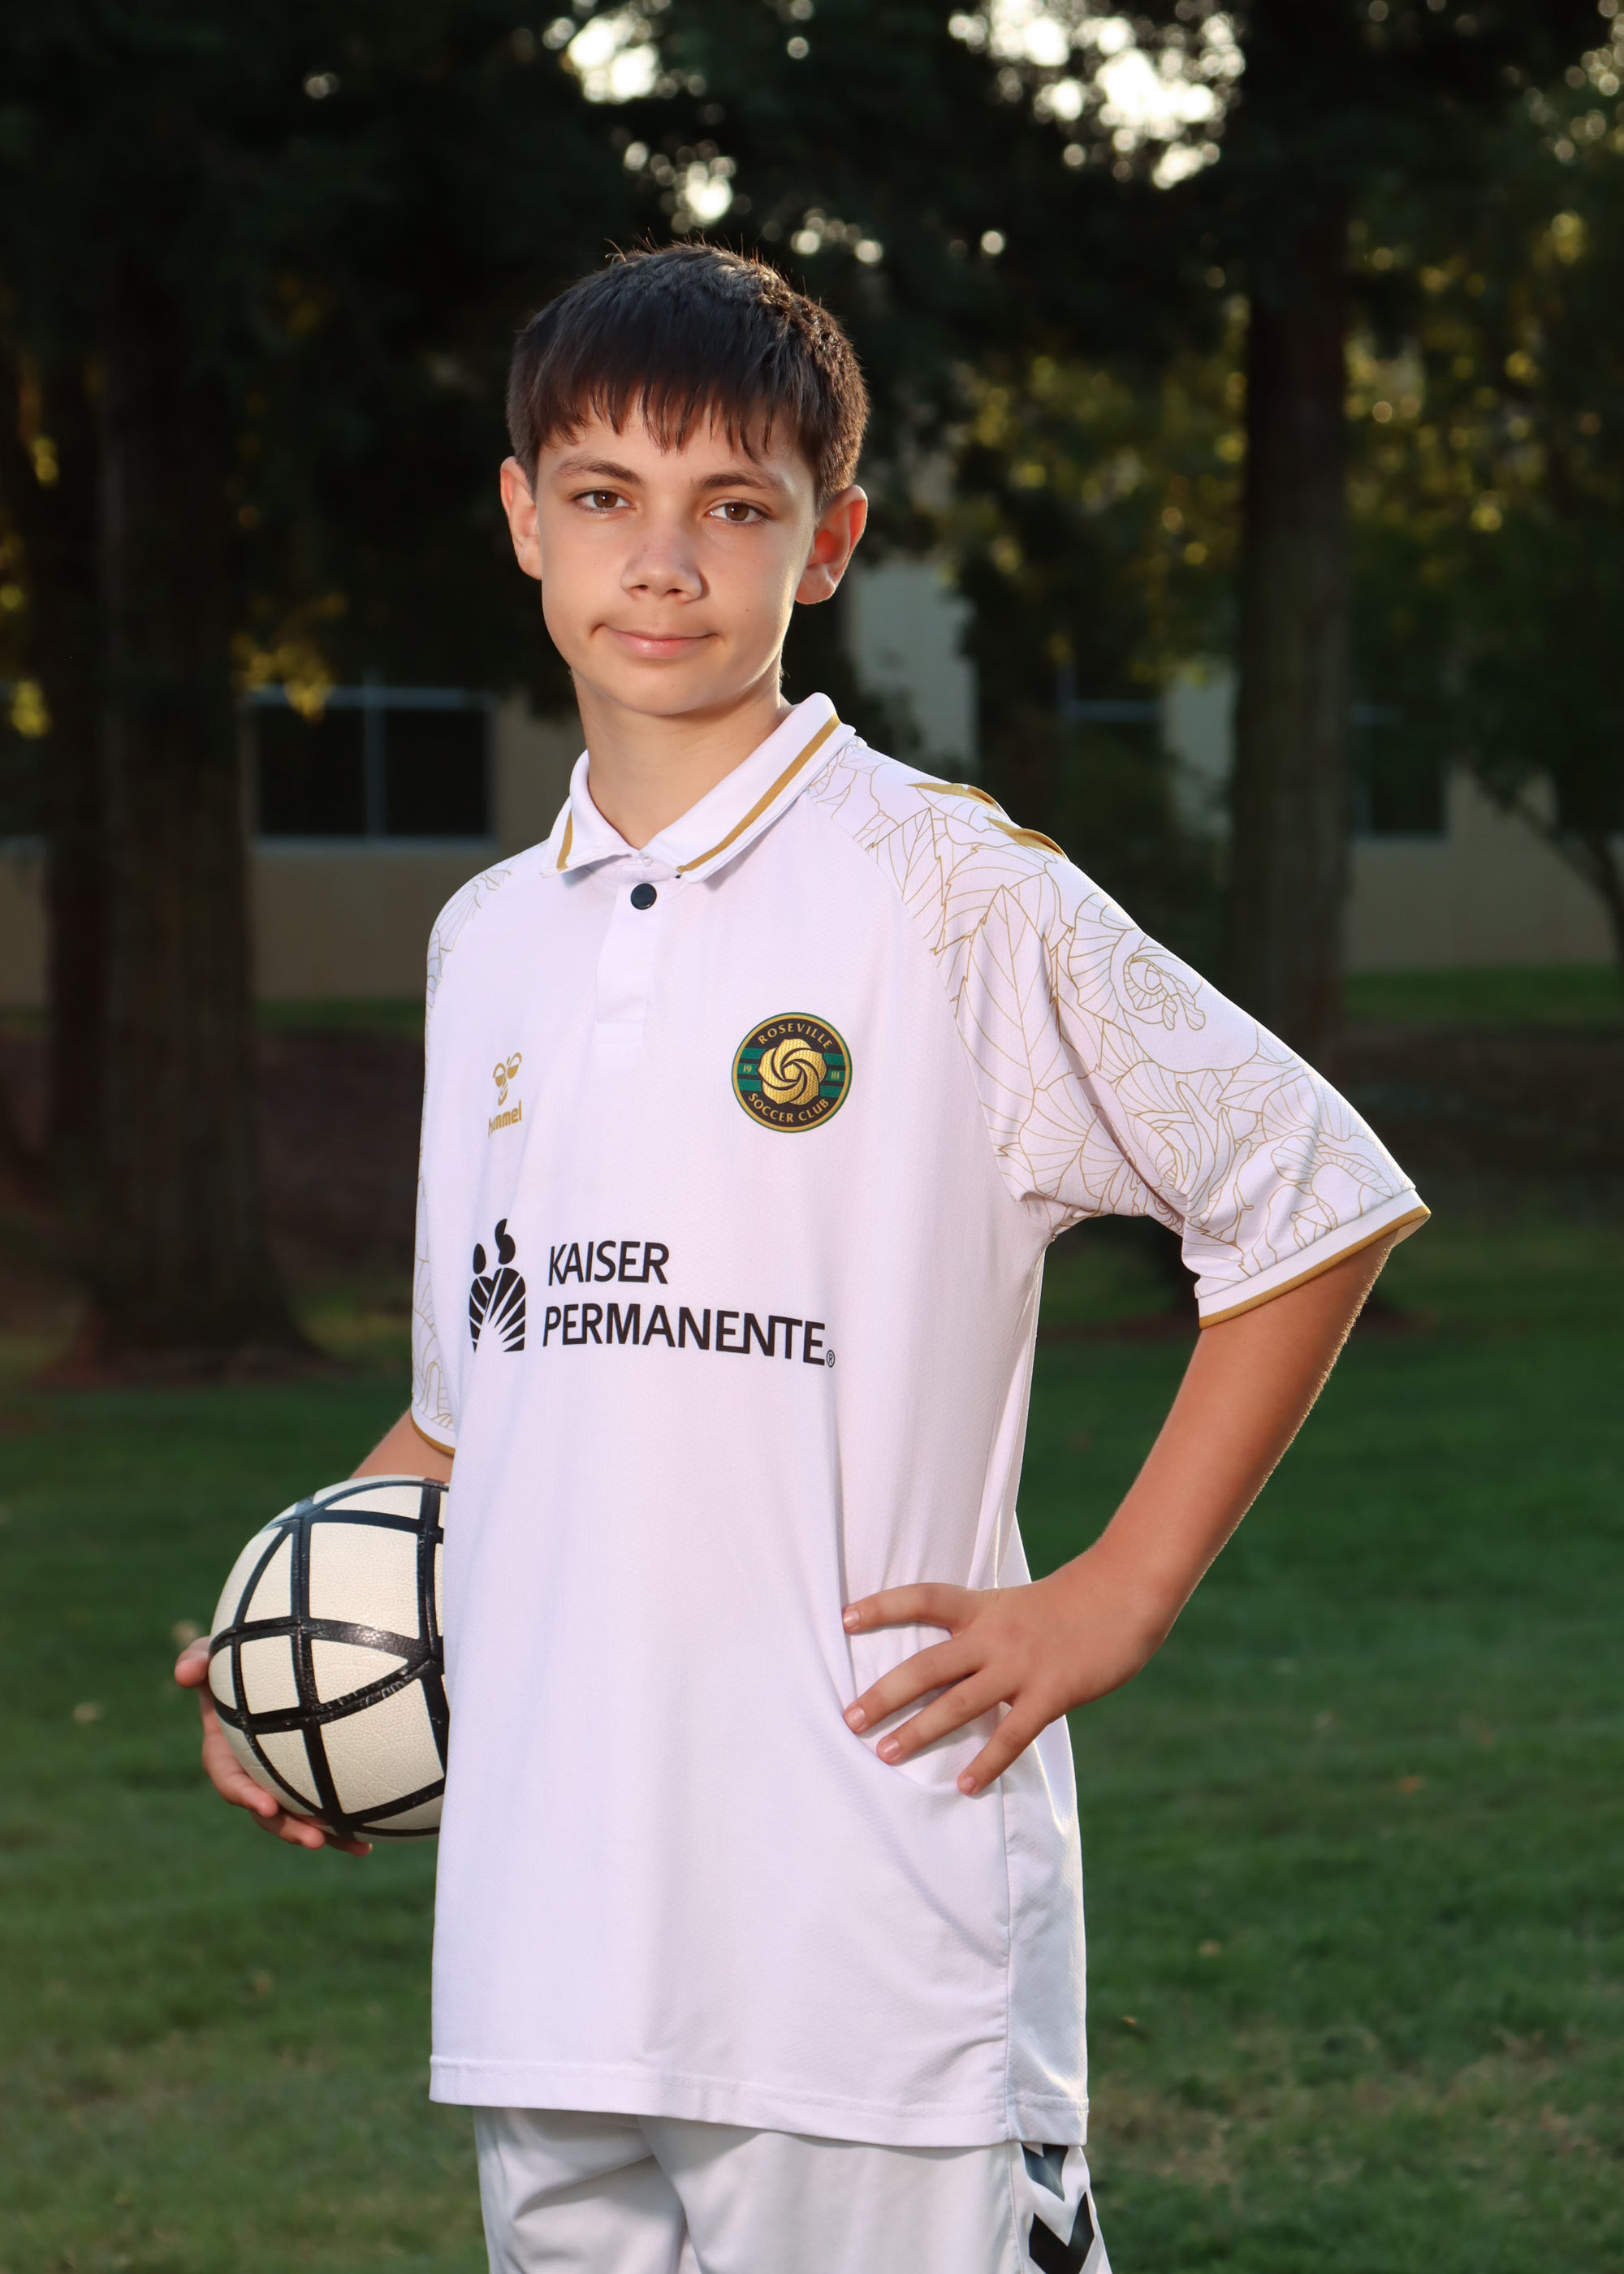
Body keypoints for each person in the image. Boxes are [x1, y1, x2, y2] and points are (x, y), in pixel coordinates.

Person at [178, 244, 1427, 2272]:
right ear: (521, 516)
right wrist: (288, 1639)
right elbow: (473, 1403)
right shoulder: (487, 940)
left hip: (869, 1946)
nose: (661, 560)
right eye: (603, 494)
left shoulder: (947, 888)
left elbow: (1308, 1188)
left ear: (826, 542)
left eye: (733, 505)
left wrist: (1116, 1591)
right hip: (547, 1948)